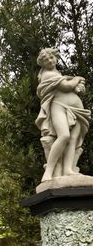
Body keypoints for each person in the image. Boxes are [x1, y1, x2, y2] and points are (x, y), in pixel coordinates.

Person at [35, 47, 91, 182]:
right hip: (58, 106)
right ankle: (48, 172)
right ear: (42, 64)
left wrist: (78, 86)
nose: (49, 60)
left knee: (73, 139)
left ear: (55, 57)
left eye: (51, 57)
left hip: (76, 110)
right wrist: (77, 79)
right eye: (46, 59)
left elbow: (72, 86)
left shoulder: (58, 74)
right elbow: (66, 86)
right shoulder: (47, 75)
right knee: (64, 135)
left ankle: (68, 170)